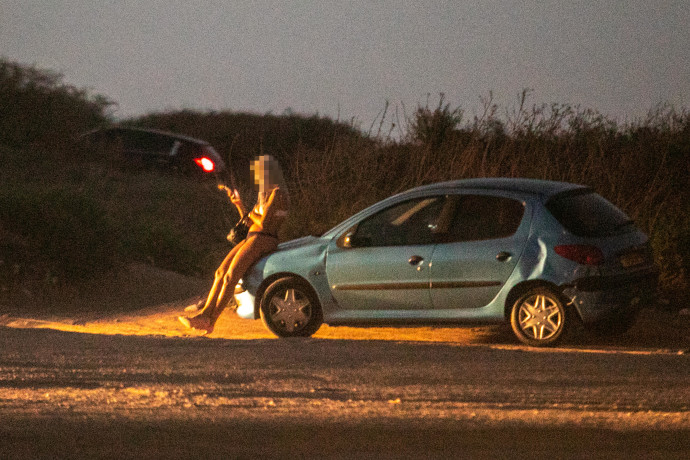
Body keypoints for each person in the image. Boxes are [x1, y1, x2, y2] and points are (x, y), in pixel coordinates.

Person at [178, 154, 289, 334]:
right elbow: (249, 220)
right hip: (253, 236)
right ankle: (205, 314)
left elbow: (264, 223)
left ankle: (210, 320)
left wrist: (252, 217)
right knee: (220, 272)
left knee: (231, 276)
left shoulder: (278, 193)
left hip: (263, 238)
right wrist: (239, 204)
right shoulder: (265, 195)